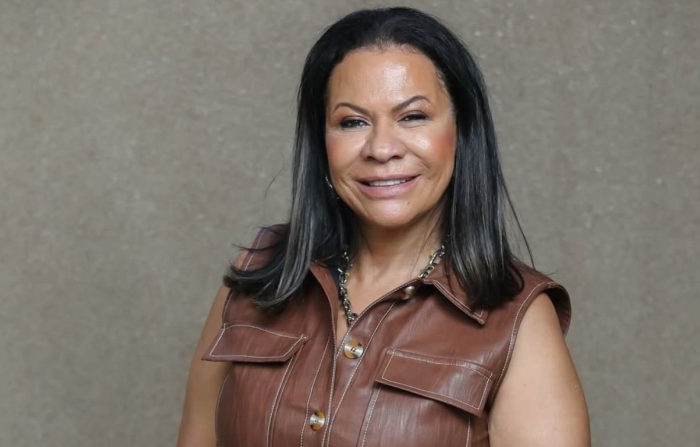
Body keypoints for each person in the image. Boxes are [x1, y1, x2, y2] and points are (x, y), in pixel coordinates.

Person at [176, 7, 589, 447]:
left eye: (413, 117)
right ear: (322, 142)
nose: (382, 148)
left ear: (462, 131)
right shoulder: (257, 274)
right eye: (352, 122)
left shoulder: (519, 319)